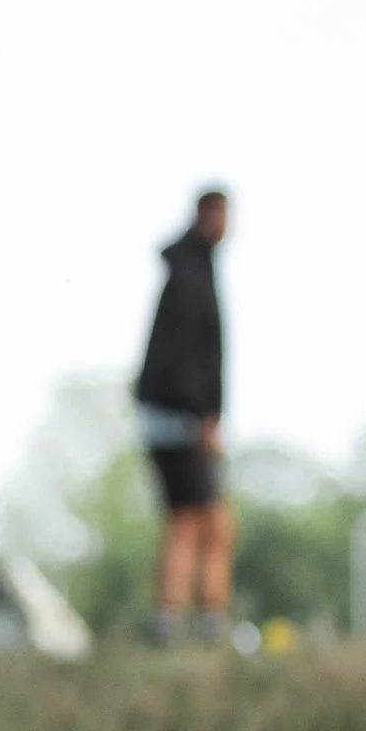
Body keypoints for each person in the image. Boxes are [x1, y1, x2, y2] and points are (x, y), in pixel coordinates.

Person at [135, 187, 232, 642]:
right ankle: (180, 621)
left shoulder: (197, 268)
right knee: (199, 518)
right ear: (204, 213)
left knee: (200, 518)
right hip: (177, 417)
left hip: (175, 414)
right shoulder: (190, 275)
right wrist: (203, 417)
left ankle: (185, 620)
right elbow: (185, 358)